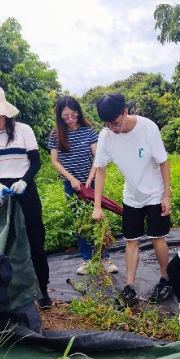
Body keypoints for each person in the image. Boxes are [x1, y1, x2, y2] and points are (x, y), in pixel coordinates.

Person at [0, 84, 51, 309]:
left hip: (24, 189)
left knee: (34, 239)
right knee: (0, 243)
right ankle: (4, 293)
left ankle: (42, 290)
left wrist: (24, 181)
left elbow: (35, 162)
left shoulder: (24, 130)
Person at [91, 93, 171, 307]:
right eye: (107, 125)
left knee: (157, 237)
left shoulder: (147, 128)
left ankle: (166, 279)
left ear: (125, 112)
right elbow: (100, 170)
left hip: (155, 192)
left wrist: (166, 196)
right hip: (132, 196)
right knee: (131, 241)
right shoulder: (106, 135)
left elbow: (163, 162)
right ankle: (129, 286)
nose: (113, 128)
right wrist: (97, 205)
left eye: (115, 123)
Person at [47, 96, 118, 276]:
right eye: (65, 117)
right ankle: (87, 260)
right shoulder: (56, 135)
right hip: (72, 186)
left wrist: (90, 177)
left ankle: (105, 258)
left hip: (92, 183)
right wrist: (71, 179)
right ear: (60, 117)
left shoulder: (88, 131)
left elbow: (97, 157)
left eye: (73, 115)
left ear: (78, 112)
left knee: (98, 218)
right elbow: (55, 161)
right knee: (81, 223)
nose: (70, 119)